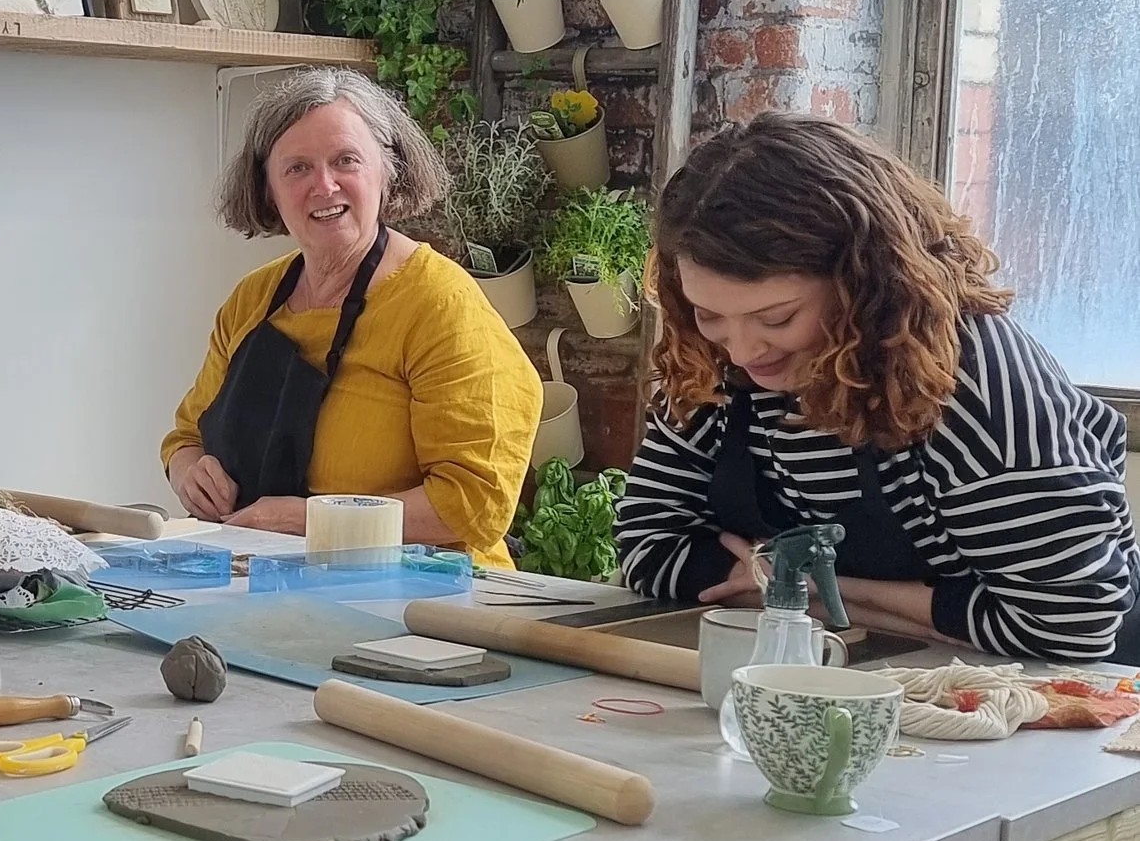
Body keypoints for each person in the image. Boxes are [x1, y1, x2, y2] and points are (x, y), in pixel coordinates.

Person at [616, 111, 1140, 661]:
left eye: (777, 319)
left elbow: (1070, 623)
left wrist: (805, 587)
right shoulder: (711, 362)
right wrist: (921, 610)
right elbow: (650, 548)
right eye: (709, 314)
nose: (743, 352)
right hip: (856, 675)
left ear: (864, 284)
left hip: (1058, 704)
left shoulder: (973, 387)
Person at [162, 71, 543, 563]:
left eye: (346, 160)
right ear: (267, 189)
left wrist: (311, 521)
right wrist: (190, 472)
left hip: (425, 605)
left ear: (389, 173)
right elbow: (185, 437)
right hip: (266, 580)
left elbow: (474, 505)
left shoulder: (440, 304)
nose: (324, 185)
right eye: (297, 168)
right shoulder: (254, 299)